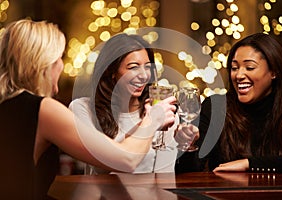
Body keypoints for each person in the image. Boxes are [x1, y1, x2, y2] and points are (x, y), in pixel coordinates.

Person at [0, 19, 177, 199]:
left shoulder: (8, 105)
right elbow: (126, 160)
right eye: (59, 58)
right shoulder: (42, 109)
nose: (61, 65)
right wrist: (153, 119)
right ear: (41, 64)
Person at [69, 33, 199, 174]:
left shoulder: (163, 112)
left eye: (147, 67)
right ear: (112, 71)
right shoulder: (83, 109)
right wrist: (150, 123)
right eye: (133, 67)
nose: (143, 75)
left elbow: (164, 175)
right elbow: (101, 165)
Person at [176, 33, 282, 174]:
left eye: (249, 67)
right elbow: (188, 174)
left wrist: (250, 164)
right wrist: (186, 147)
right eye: (234, 68)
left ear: (274, 72)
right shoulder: (216, 107)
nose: (239, 75)